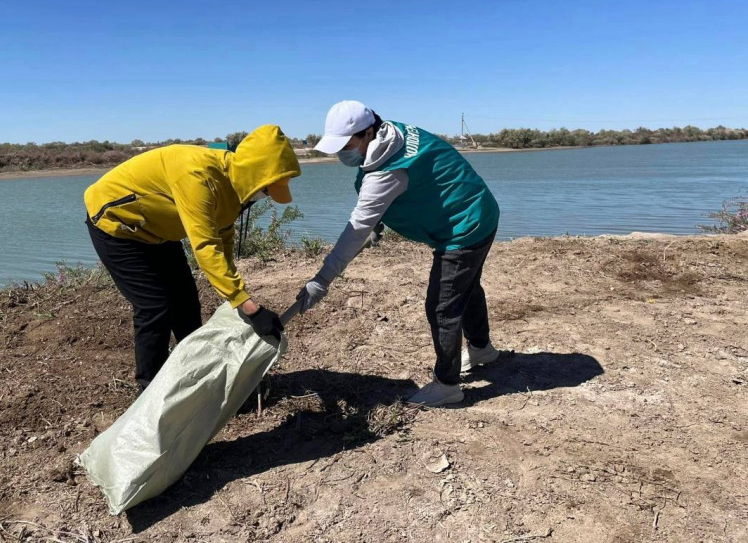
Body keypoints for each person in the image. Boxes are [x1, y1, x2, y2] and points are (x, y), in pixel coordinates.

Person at [297, 101, 500, 406]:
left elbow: (356, 228)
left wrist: (322, 279)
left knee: (442, 308)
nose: (341, 153)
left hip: (465, 226)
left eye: (346, 144)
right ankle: (482, 348)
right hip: (480, 208)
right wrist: (379, 222)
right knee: (466, 288)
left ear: (367, 132)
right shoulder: (394, 134)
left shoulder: (387, 170)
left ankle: (447, 385)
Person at [85, 125, 300, 390]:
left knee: (186, 302)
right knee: (155, 306)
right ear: (253, 174)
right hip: (117, 226)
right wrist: (250, 308)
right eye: (267, 190)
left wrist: (237, 293)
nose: (265, 197)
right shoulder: (197, 175)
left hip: (159, 232)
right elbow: (206, 246)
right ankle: (150, 390)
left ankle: (196, 377)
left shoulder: (234, 186)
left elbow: (224, 237)